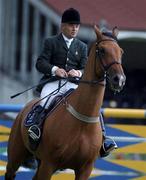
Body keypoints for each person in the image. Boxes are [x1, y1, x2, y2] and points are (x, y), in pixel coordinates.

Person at [26, 8, 117, 157]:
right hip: (53, 82)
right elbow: (40, 63)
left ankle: (104, 139)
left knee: (92, 106)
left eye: (77, 26)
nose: (74, 28)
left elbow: (85, 66)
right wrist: (55, 69)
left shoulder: (81, 46)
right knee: (45, 101)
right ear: (63, 26)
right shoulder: (51, 42)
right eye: (71, 25)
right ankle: (36, 129)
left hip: (74, 84)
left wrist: (79, 72)